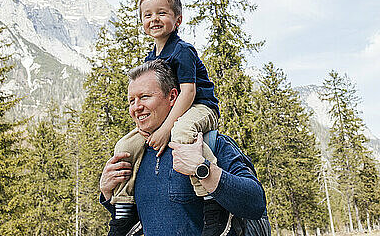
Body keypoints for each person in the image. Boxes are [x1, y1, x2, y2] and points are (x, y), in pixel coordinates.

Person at [99, 60, 267, 236]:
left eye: (145, 97)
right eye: (131, 101)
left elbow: (256, 204)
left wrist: (204, 170)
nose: (136, 107)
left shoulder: (210, 144)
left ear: (172, 97)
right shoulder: (135, 156)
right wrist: (107, 193)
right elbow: (138, 223)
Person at [110, 0, 226, 234]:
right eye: (147, 15)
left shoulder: (182, 50)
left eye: (162, 13)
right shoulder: (151, 58)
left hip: (200, 107)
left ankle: (211, 205)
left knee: (183, 133)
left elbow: (188, 93)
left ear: (178, 19)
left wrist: (165, 129)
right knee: (125, 147)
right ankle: (122, 213)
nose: (154, 19)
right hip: (175, 112)